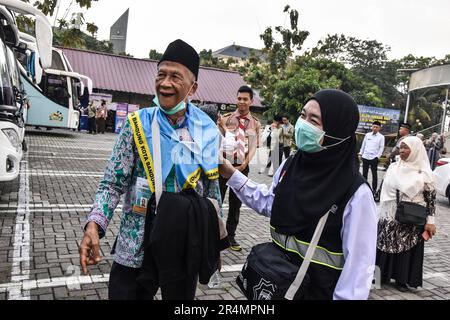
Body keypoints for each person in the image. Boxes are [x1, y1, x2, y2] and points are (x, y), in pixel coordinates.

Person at [79, 39, 222, 300]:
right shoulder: (136, 125)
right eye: (161, 74)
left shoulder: (208, 132)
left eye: (175, 77)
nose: (165, 83)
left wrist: (211, 244)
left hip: (182, 244)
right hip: (135, 244)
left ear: (193, 87)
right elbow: (112, 183)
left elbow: (213, 195)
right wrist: (94, 224)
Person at [220, 89, 378, 300]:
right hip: (275, 285)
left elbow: (358, 271)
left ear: (337, 131)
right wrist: (231, 174)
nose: (303, 124)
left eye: (314, 120)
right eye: (303, 115)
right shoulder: (291, 164)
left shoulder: (356, 193)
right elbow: (271, 203)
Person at [376, 136, 436, 292]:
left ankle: (402, 279)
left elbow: (431, 201)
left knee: (406, 247)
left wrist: (430, 222)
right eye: (400, 147)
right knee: (385, 244)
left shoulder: (424, 174)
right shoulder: (393, 167)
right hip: (389, 215)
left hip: (411, 217)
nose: (401, 150)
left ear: (415, 150)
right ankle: (382, 275)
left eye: (405, 147)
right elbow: (384, 189)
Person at [217, 85, 261, 251]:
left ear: (251, 101)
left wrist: (243, 165)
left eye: (245, 99)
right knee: (217, 200)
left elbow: (254, 146)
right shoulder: (227, 119)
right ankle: (216, 234)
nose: (241, 102)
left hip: (242, 168)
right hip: (222, 167)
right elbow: (219, 141)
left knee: (235, 205)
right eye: (239, 98)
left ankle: (231, 236)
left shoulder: (255, 123)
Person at [359, 120, 385, 193]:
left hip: (374, 158)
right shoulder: (367, 135)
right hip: (365, 156)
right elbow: (363, 145)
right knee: (364, 174)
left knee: (374, 174)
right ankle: (363, 189)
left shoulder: (381, 137)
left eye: (377, 127)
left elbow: (381, 148)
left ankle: (374, 190)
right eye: (374, 127)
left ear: (379, 128)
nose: (375, 128)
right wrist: (361, 153)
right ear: (372, 127)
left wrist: (377, 157)